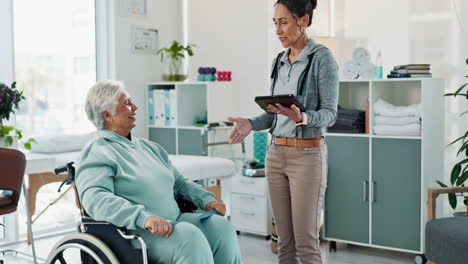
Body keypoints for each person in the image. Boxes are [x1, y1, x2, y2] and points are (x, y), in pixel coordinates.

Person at [76, 80, 241, 264]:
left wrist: (206, 199)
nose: (135, 107)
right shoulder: (98, 150)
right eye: (127, 104)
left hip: (174, 221)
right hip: (135, 232)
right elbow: (96, 199)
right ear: (107, 115)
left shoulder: (149, 147)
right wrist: (144, 218)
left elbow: (178, 183)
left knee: (221, 228)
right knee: (189, 236)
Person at [228, 0, 338, 263]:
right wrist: (251, 124)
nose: (277, 29)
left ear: (303, 20)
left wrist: (304, 117)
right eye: (275, 23)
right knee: (283, 243)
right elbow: (275, 113)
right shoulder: (279, 61)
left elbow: (330, 114)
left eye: (284, 22)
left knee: (306, 243)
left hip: (307, 156)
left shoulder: (322, 59)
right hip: (275, 155)